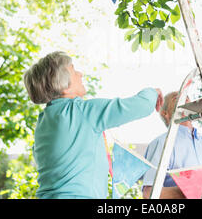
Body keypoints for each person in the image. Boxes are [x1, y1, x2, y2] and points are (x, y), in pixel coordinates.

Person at [23, 51, 164, 199]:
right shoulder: (82, 111)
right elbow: (141, 106)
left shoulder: (43, 121)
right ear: (63, 84)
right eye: (73, 70)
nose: (80, 74)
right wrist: (152, 92)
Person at [141, 91, 202, 199]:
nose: (184, 97)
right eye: (175, 98)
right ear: (164, 113)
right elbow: (149, 193)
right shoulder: (161, 143)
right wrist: (191, 192)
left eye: (187, 97)